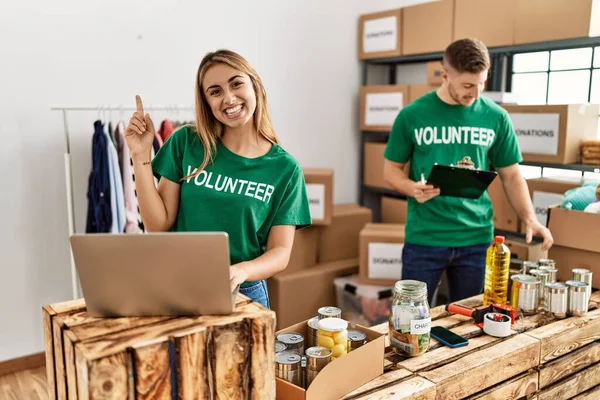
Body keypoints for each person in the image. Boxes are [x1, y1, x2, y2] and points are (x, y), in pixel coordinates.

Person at [124, 49, 312, 308]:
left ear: (254, 85)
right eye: (215, 91)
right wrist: (140, 154)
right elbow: (158, 224)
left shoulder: (286, 169)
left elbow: (280, 253)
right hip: (178, 282)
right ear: (206, 102)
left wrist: (243, 271)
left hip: (242, 290)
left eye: (236, 83)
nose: (229, 98)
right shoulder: (186, 142)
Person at [383, 38, 554, 305]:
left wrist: (530, 218)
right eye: (467, 85)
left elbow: (511, 175)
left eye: (481, 84)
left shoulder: (496, 117)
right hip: (425, 238)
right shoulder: (412, 115)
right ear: (445, 75)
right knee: (409, 321)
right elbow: (391, 170)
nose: (475, 93)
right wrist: (411, 188)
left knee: (471, 324)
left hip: (476, 240)